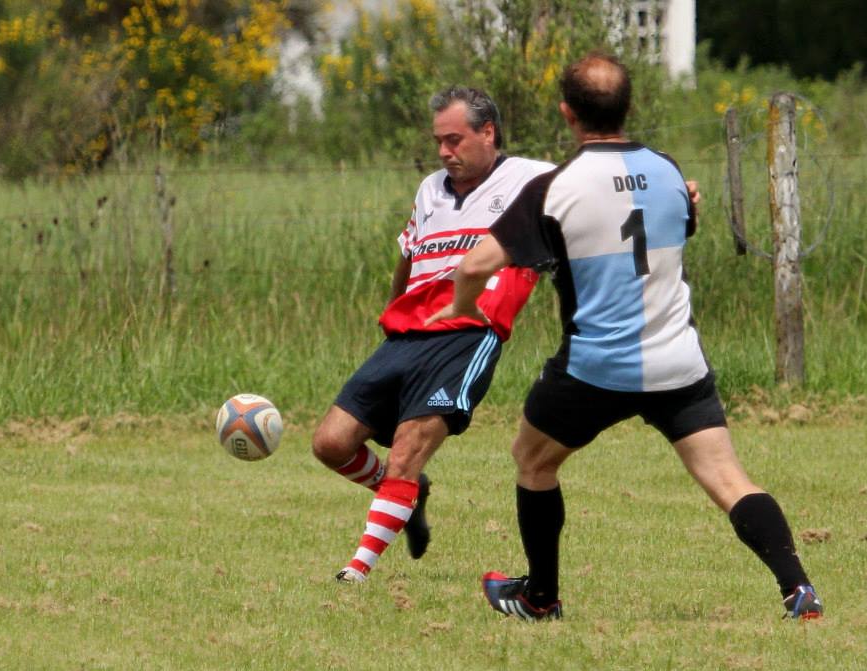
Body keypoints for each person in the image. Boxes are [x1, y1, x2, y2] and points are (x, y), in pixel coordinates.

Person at [426, 52, 823, 620]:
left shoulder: (553, 187)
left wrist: (462, 309)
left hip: (596, 366)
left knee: (532, 461)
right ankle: (799, 589)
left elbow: (473, 266)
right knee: (727, 478)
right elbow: (679, 223)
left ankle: (540, 597)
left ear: (567, 112)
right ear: (628, 107)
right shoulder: (668, 172)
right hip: (677, 363)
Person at [311, 86, 556, 583]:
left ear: (488, 133)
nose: (444, 151)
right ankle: (408, 493)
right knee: (330, 443)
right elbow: (408, 253)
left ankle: (356, 571)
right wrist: (392, 309)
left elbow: (601, 183)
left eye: (454, 140)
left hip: (469, 332)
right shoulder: (429, 189)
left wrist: (675, 187)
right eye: (438, 141)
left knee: (406, 449)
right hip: (408, 333)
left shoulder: (533, 178)